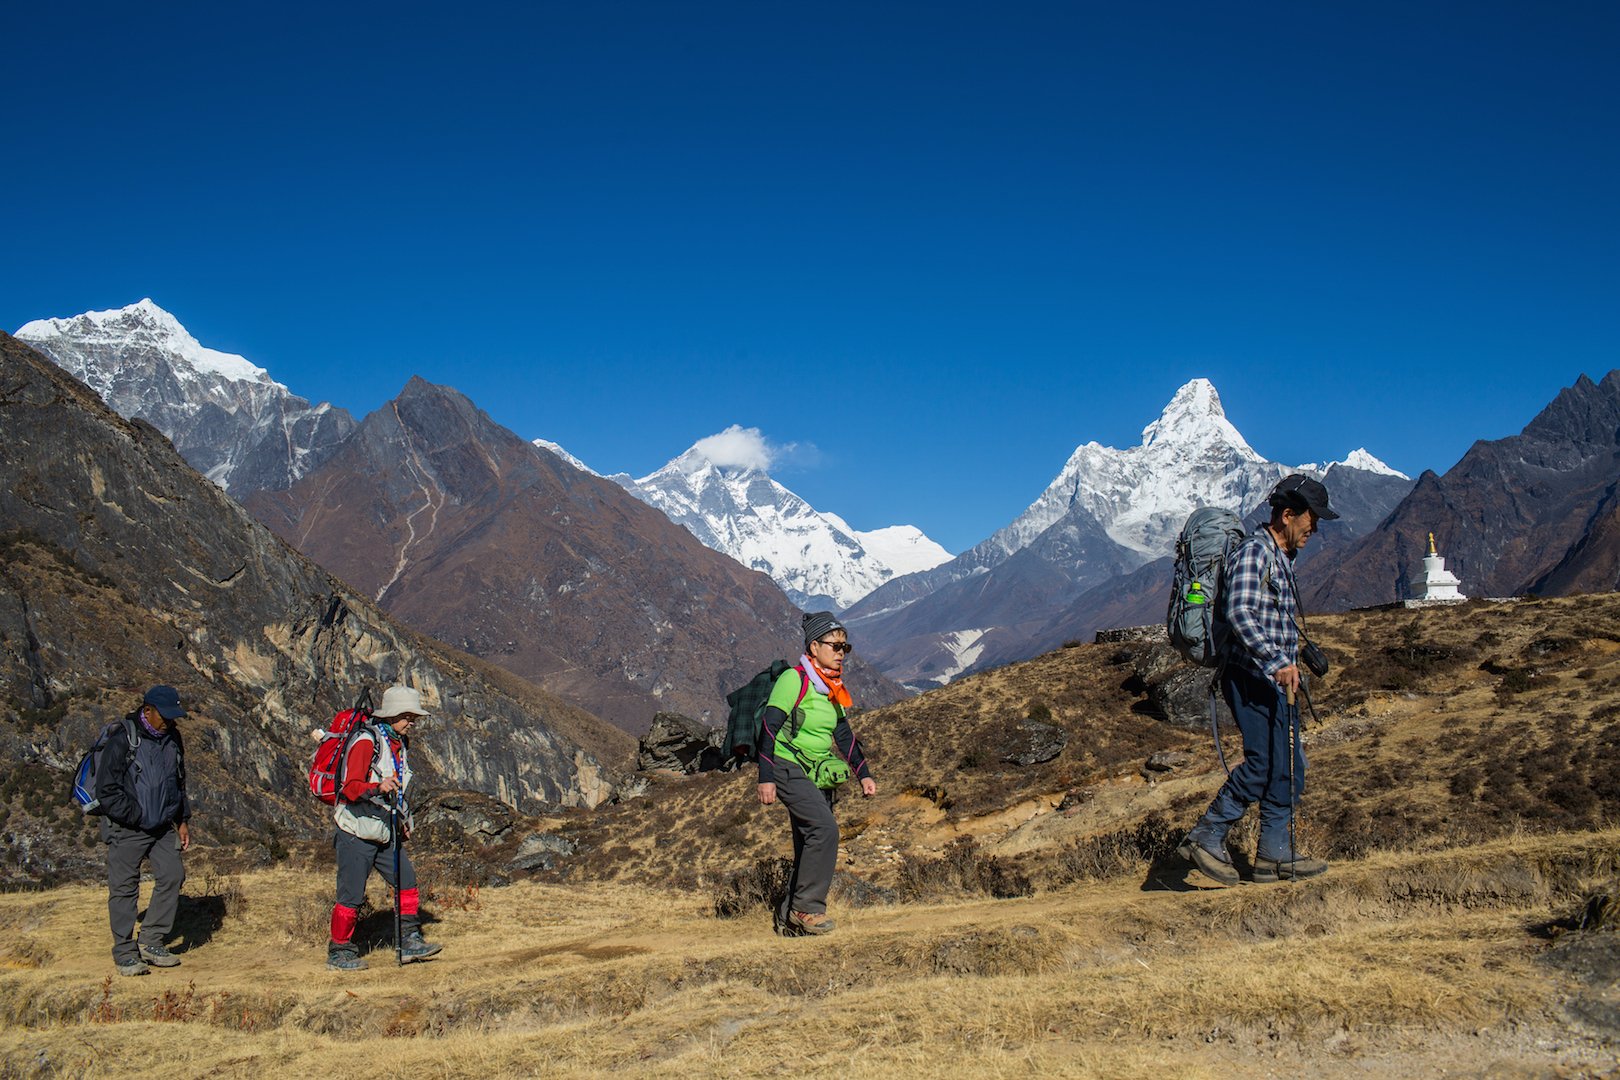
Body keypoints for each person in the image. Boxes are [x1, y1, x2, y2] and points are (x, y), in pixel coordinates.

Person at [1180, 474, 1337, 887]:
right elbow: (1240, 612)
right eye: (1312, 519)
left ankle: (1274, 855)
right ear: (1288, 515)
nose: (1314, 528)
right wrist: (1277, 661)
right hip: (1250, 677)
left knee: (1289, 767)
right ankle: (1207, 835)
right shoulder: (1255, 554)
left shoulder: (1281, 559)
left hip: (1273, 682)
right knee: (1265, 763)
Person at [756, 612, 877, 935]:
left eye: (845, 647)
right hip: (785, 764)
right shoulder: (793, 680)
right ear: (814, 646)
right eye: (835, 645)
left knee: (809, 842)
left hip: (816, 770)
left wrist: (863, 773)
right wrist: (766, 777)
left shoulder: (830, 686)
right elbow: (769, 727)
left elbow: (843, 735)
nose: (841, 652)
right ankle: (807, 909)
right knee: (825, 831)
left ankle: (788, 921)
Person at [326, 685, 443, 970]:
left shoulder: (398, 744)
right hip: (357, 830)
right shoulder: (367, 742)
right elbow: (350, 787)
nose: (411, 722)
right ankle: (339, 951)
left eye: (413, 717)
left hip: (385, 828)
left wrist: (402, 820)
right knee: (351, 894)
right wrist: (377, 786)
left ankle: (409, 939)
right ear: (391, 716)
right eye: (406, 716)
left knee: (407, 882)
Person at [97, 684, 192, 976]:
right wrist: (135, 815)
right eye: (165, 715)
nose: (170, 721)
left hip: (163, 825)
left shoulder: (172, 737)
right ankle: (125, 952)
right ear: (147, 711)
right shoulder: (123, 740)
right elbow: (107, 789)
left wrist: (183, 819)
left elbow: (178, 781)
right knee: (124, 888)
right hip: (129, 828)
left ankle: (151, 940)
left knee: (173, 875)